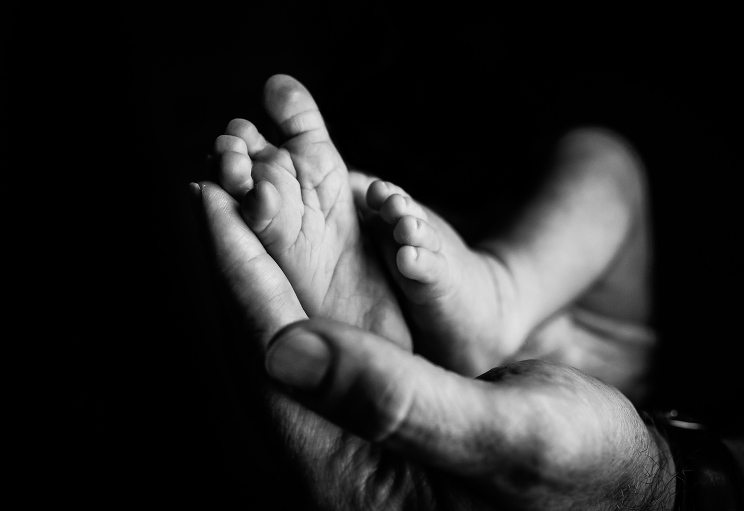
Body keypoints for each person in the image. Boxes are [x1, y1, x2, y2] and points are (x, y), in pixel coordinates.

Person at [192, 75, 744, 509]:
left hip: (583, 374)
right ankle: (486, 298)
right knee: (603, 162)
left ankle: (477, 303)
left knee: (602, 162)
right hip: (598, 355)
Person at [211, 74, 654, 402]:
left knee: (603, 161)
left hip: (600, 361)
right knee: (404, 239)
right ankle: (391, 330)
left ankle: (501, 293)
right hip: (462, 366)